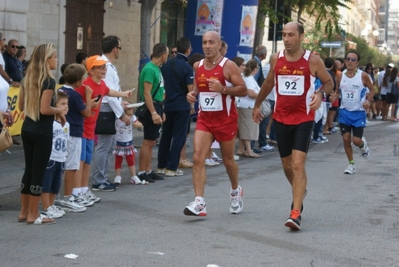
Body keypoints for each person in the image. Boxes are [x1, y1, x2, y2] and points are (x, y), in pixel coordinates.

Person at [252, 22, 334, 230]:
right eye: (284, 35)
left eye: (291, 35)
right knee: (288, 166)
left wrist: (320, 93)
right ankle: (300, 189)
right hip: (281, 118)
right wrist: (257, 104)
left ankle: (295, 212)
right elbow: (269, 83)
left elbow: (329, 82)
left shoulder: (312, 60)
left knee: (298, 165)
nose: (286, 39)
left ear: (301, 37)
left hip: (304, 119)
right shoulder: (275, 58)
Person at [184, 31, 247, 216]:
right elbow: (199, 86)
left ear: (219, 45)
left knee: (228, 161)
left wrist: (223, 89)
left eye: (211, 42)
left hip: (225, 120)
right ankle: (199, 202)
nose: (207, 46)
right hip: (205, 120)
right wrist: (193, 94)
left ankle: (236, 191)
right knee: (197, 157)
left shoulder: (229, 66)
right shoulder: (198, 65)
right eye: (204, 42)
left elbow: (243, 90)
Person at [17, 43, 66, 225]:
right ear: (46, 60)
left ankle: (24, 212)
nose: (57, 59)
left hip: (27, 128)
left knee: (29, 170)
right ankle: (33, 214)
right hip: (42, 131)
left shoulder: (27, 78)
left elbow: (21, 106)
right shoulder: (48, 81)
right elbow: (45, 109)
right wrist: (59, 111)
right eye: (54, 56)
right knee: (38, 172)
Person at [75, 55, 133, 195]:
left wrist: (124, 94)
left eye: (104, 67)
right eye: (100, 67)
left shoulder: (101, 84)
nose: (104, 70)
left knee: (88, 159)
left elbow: (109, 91)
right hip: (81, 127)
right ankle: (77, 192)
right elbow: (74, 102)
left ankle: (84, 190)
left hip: (91, 127)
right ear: (91, 70)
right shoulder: (85, 85)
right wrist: (88, 105)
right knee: (81, 160)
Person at [91, 35, 131, 191]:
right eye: (119, 48)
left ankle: (102, 177)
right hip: (106, 108)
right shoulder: (104, 66)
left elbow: (111, 92)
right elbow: (108, 93)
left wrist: (121, 102)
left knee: (108, 145)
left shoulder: (106, 65)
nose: (119, 52)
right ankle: (98, 179)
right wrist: (122, 114)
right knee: (104, 145)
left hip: (109, 107)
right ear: (115, 50)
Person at [53, 63, 94, 213]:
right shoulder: (75, 95)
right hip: (74, 132)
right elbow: (86, 113)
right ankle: (68, 196)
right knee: (71, 166)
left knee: (60, 164)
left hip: (61, 131)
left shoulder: (60, 91)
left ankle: (56, 195)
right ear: (78, 82)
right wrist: (89, 98)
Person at [331, 51, 374, 175]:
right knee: (345, 139)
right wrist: (334, 96)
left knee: (356, 141)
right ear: (345, 61)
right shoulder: (340, 76)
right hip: (344, 111)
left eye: (353, 59)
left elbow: (372, 90)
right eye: (348, 59)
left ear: (358, 63)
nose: (350, 61)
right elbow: (338, 91)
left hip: (358, 112)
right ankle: (351, 164)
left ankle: (362, 144)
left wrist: (368, 101)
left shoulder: (363, 76)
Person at [157, 37, 193, 177]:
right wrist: (192, 105)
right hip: (182, 105)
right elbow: (191, 91)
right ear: (188, 50)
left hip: (167, 104)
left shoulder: (165, 65)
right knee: (179, 136)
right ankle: (172, 167)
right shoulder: (187, 67)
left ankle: (161, 165)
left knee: (166, 135)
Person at [137, 43, 169, 183]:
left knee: (152, 140)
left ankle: (148, 170)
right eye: (167, 54)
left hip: (157, 106)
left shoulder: (156, 68)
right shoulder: (150, 69)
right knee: (148, 141)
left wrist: (161, 110)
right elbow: (146, 93)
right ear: (163, 55)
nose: (167, 57)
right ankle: (142, 171)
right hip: (152, 107)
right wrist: (154, 112)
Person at [40, 90, 70, 219]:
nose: (66, 106)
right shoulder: (51, 124)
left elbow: (66, 141)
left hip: (61, 158)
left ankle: (51, 205)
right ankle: (46, 207)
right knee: (46, 184)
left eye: (67, 104)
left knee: (55, 185)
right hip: (51, 158)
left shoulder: (66, 124)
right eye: (62, 104)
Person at [235, 59, 260, 158]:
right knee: (248, 128)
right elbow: (250, 93)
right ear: (255, 69)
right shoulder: (249, 78)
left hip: (243, 105)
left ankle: (241, 149)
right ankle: (248, 150)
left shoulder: (245, 77)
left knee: (243, 127)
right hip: (247, 106)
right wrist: (261, 95)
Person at [113, 105, 143, 185]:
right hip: (118, 142)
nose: (132, 110)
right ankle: (118, 176)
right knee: (118, 160)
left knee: (130, 159)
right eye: (130, 109)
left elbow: (139, 124)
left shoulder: (132, 117)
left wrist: (136, 124)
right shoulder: (118, 118)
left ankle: (133, 176)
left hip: (128, 142)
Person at [253, 45, 268, 153]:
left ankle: (253, 145)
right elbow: (253, 80)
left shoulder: (257, 62)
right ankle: (253, 145)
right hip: (254, 97)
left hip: (255, 96)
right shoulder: (256, 64)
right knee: (256, 120)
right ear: (264, 54)